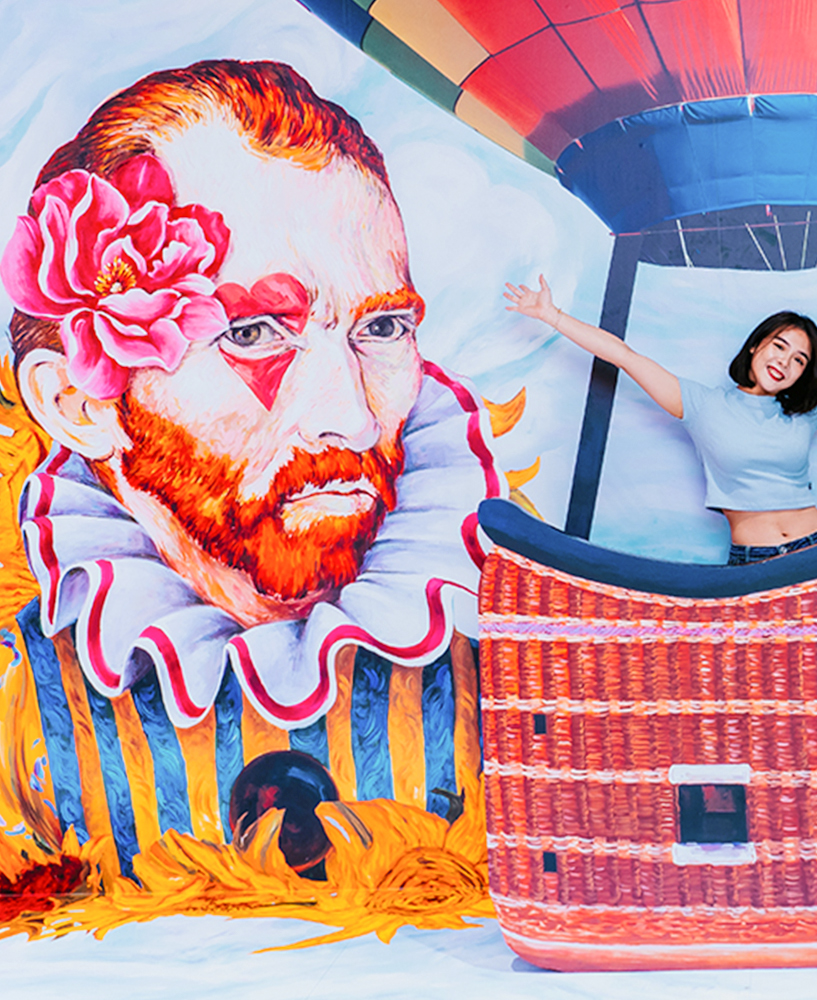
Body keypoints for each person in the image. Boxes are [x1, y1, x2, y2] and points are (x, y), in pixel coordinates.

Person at [0, 60, 500, 871]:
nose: (349, 412)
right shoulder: (20, 698)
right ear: (78, 405)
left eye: (379, 331)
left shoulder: (529, 647)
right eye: (254, 334)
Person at [505, 270, 817, 563]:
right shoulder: (701, 404)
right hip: (755, 559)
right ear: (756, 345)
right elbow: (624, 355)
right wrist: (552, 316)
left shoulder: (807, 413)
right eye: (780, 347)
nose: (786, 363)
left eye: (799, 361)